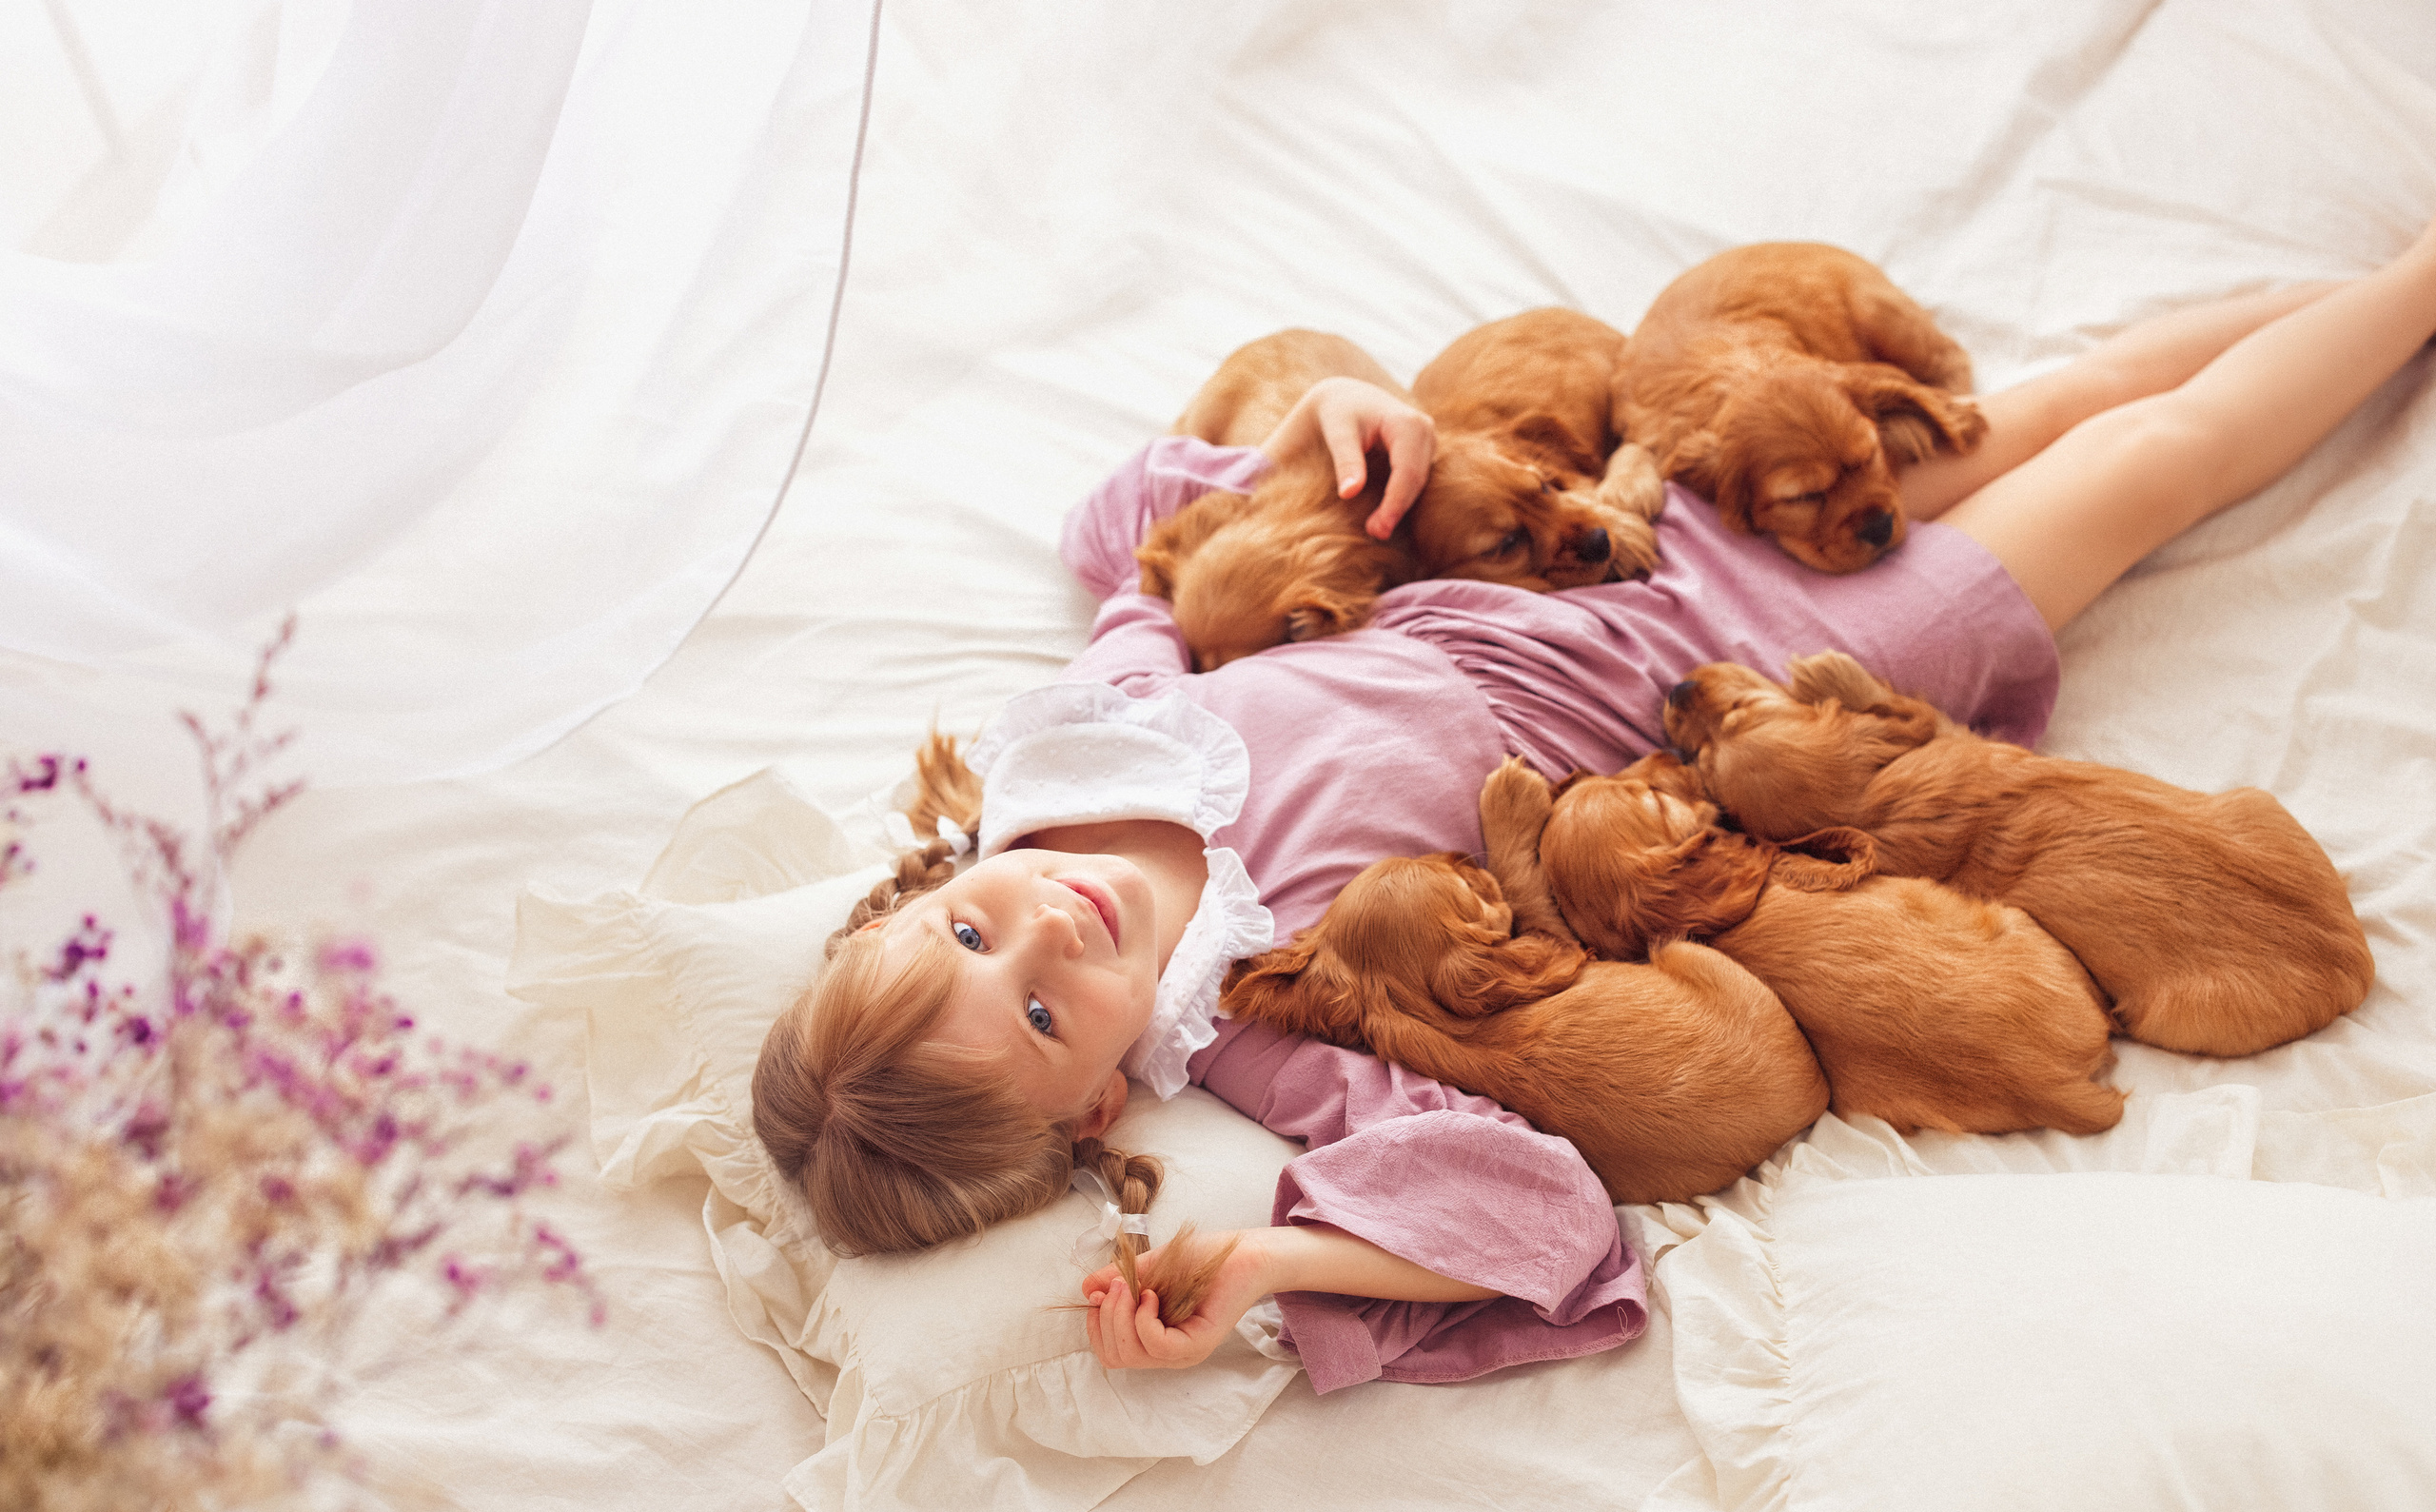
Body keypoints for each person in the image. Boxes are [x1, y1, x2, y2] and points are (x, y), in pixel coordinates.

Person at [752, 221, 2436, 1392]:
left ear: (909, 896)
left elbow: (1136, 534)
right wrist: (1275, 1264)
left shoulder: (1078, 752)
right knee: (2151, 467)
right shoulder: (1267, 1024)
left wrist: (1336, 420)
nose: (1048, 922)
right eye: (1042, 1007)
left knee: (2043, 406)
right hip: (1753, 683)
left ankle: (2372, 285)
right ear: (1098, 1106)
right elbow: (1525, 1207)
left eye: (971, 927)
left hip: (1603, 534)